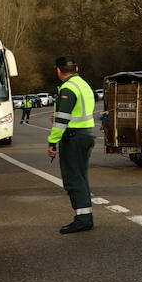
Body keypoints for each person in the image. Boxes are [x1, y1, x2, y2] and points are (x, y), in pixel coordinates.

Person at [47, 55, 97, 234]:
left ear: (58, 71)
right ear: (76, 69)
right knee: (81, 177)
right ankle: (86, 216)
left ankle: (83, 220)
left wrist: (52, 142)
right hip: (86, 134)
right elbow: (79, 111)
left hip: (73, 137)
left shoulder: (67, 88)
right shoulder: (83, 84)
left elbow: (62, 120)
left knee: (73, 179)